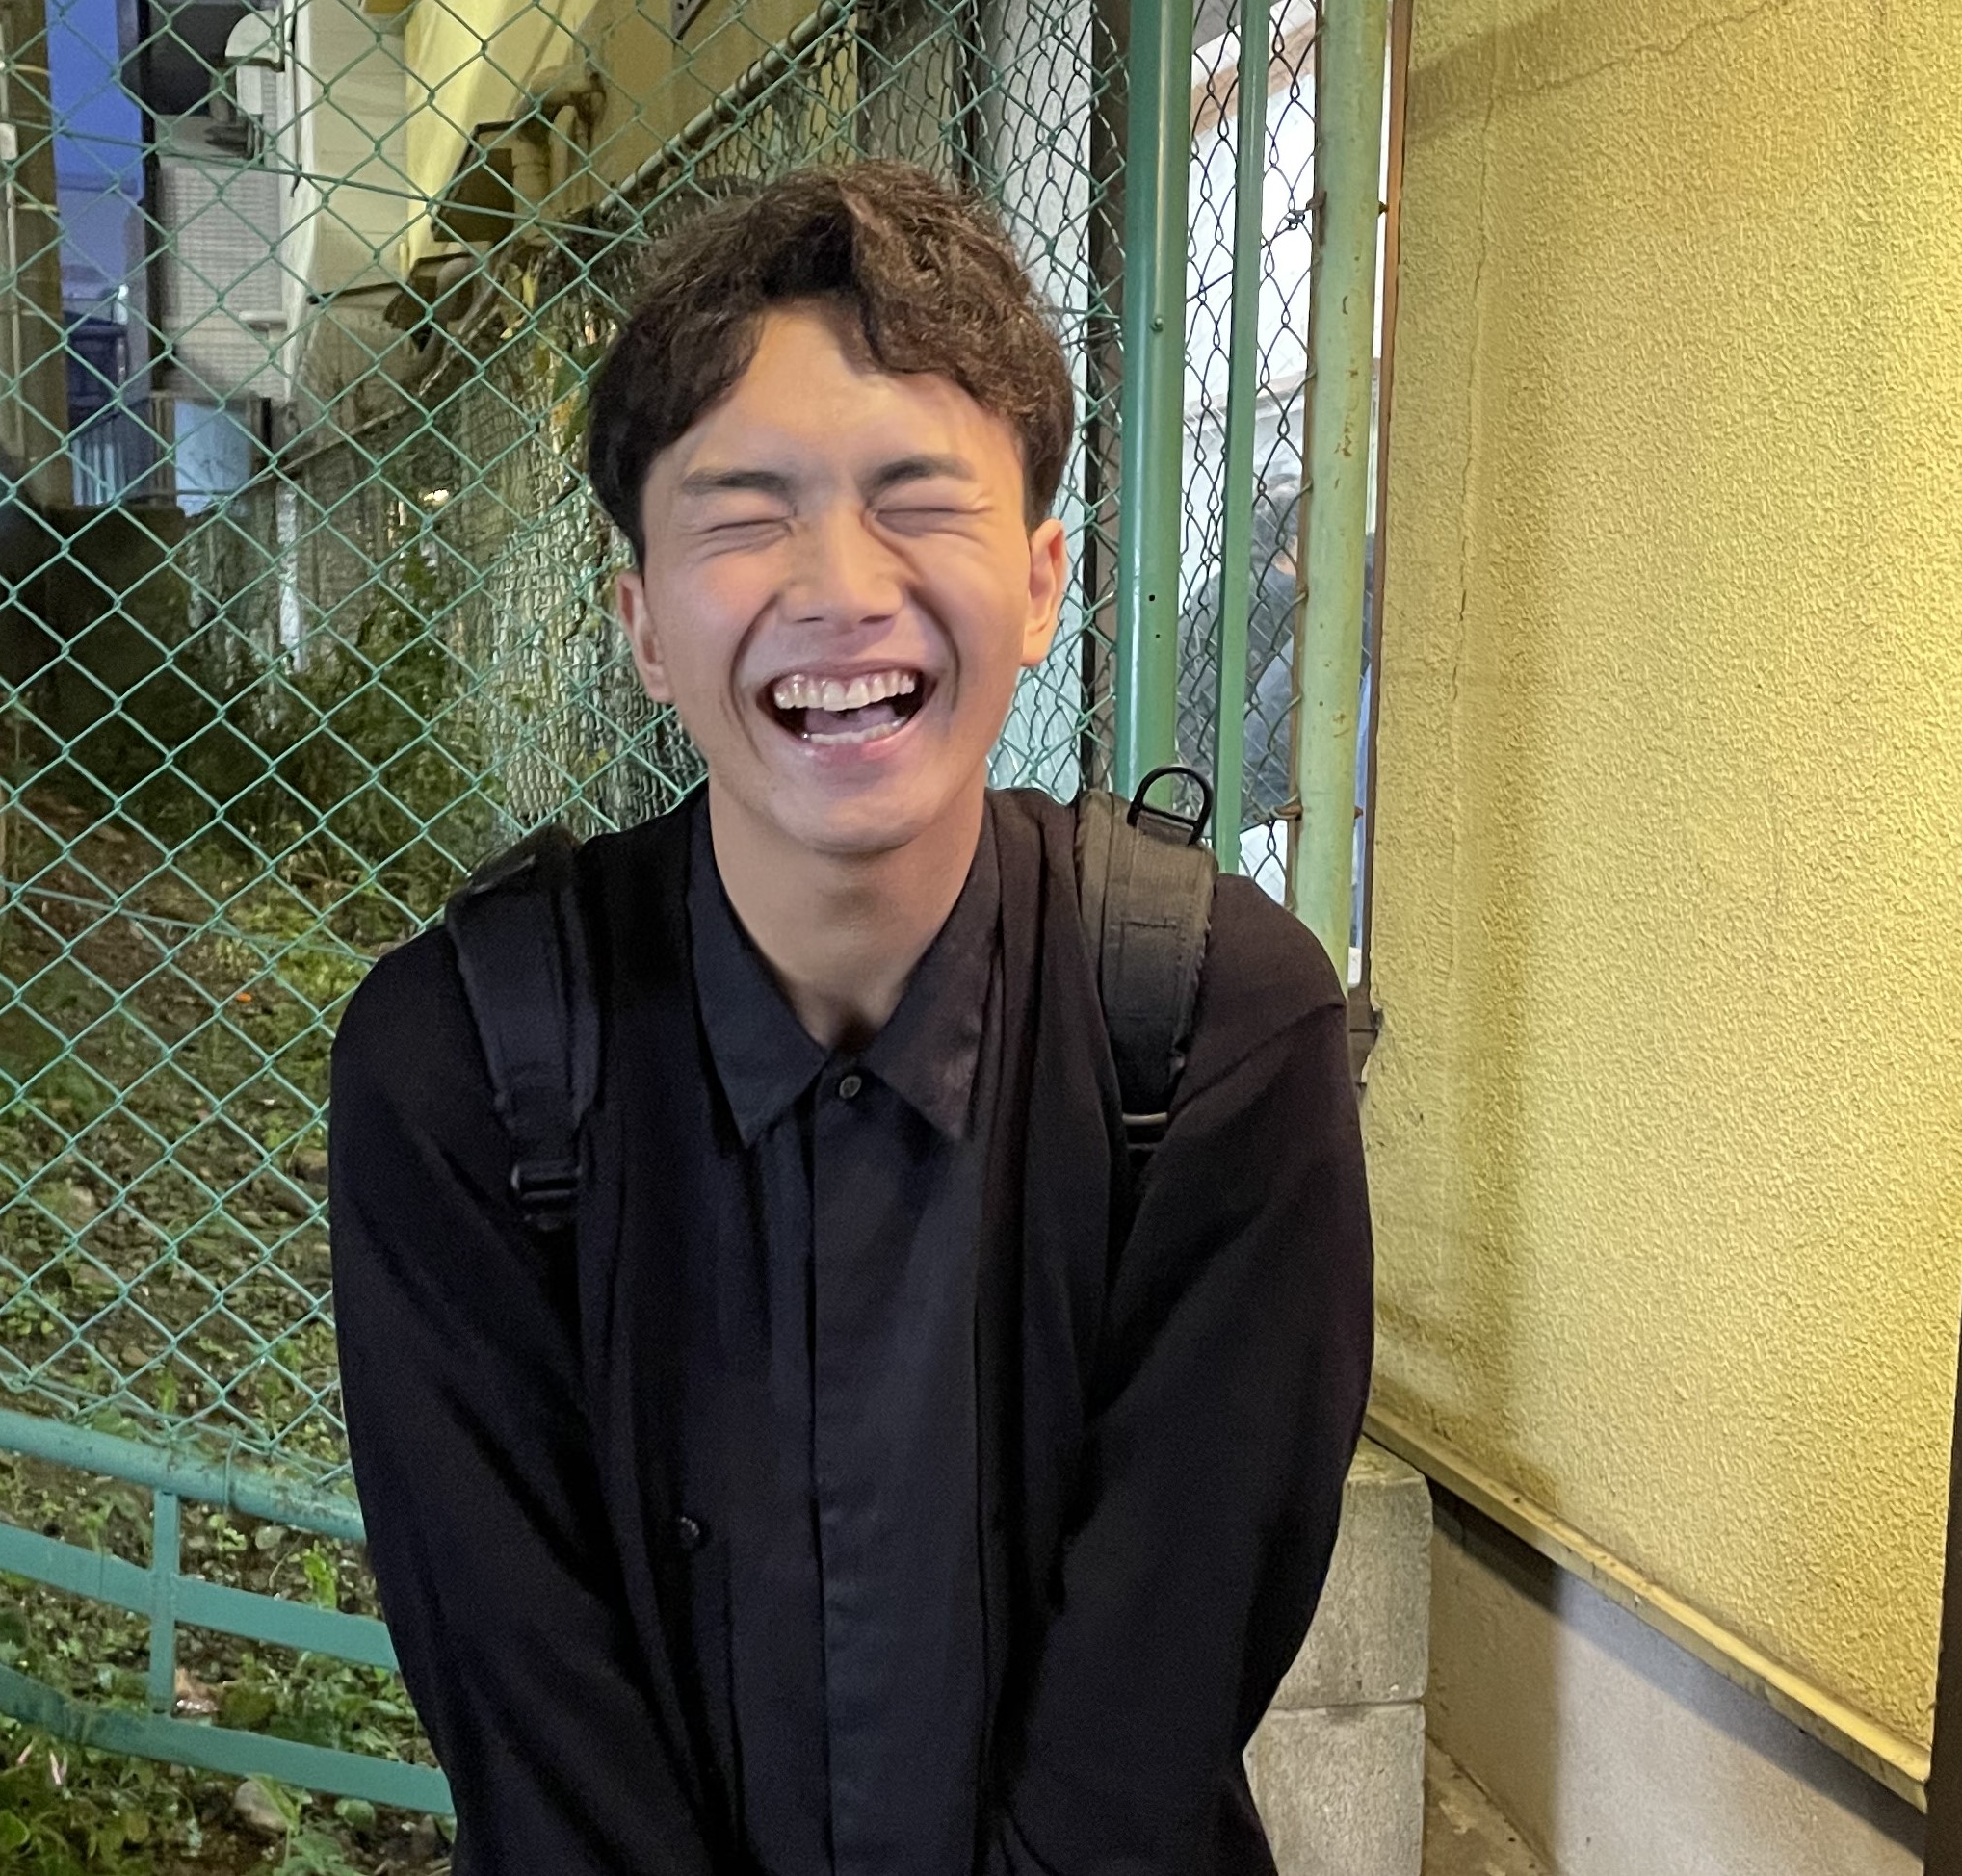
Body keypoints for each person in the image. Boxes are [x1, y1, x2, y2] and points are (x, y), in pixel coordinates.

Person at [327, 161, 1373, 1876]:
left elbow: (1152, 1705)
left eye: (918, 501)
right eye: (745, 515)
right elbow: (532, 1714)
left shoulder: (1213, 1035)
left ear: (1039, 582)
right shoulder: (460, 1069)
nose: (840, 586)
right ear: (642, 622)